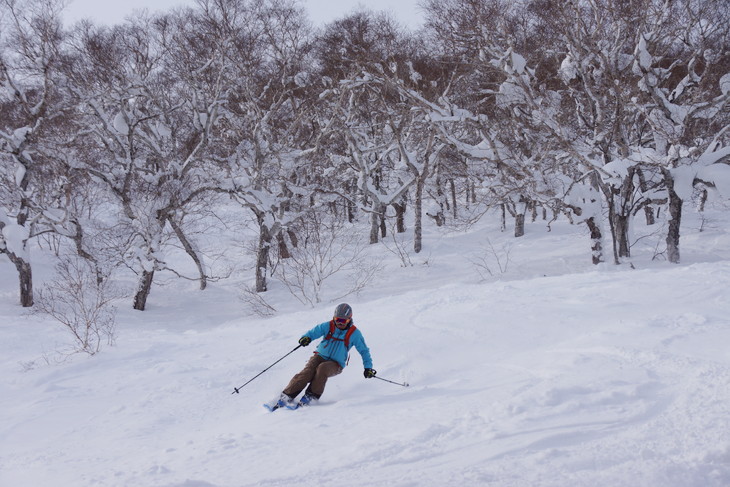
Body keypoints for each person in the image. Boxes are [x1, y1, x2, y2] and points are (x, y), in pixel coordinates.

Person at [265, 303, 376, 410]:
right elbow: (314, 332)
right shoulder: (328, 326)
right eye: (337, 319)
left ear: (349, 319)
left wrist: (368, 368)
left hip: (336, 364)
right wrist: (306, 338)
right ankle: (287, 395)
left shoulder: (354, 333)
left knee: (322, 368)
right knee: (307, 372)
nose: (340, 323)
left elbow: (364, 351)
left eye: (343, 320)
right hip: (319, 356)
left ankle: (311, 396)